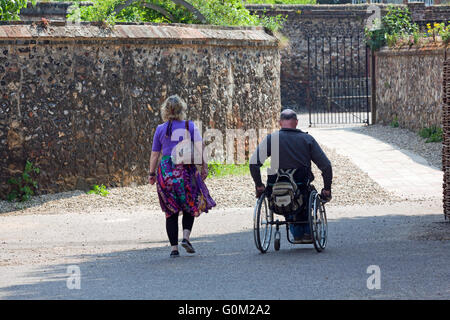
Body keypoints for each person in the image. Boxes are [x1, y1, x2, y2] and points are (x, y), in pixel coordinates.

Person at [249, 109, 332, 242]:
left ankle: (297, 232)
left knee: (285, 193)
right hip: (301, 185)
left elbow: (254, 163)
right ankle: (305, 232)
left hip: (276, 187)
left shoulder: (272, 139)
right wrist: (327, 188)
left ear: (280, 122)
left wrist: (259, 185)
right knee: (305, 195)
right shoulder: (307, 139)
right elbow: (326, 166)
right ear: (296, 122)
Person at [148, 95, 216, 258]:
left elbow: (155, 155)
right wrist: (204, 166)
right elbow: (200, 148)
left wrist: (151, 174)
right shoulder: (190, 126)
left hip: (166, 172)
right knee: (189, 205)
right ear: (182, 110)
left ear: (165, 111)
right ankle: (185, 237)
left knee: (170, 211)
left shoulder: (160, 129)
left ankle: (174, 249)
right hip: (186, 171)